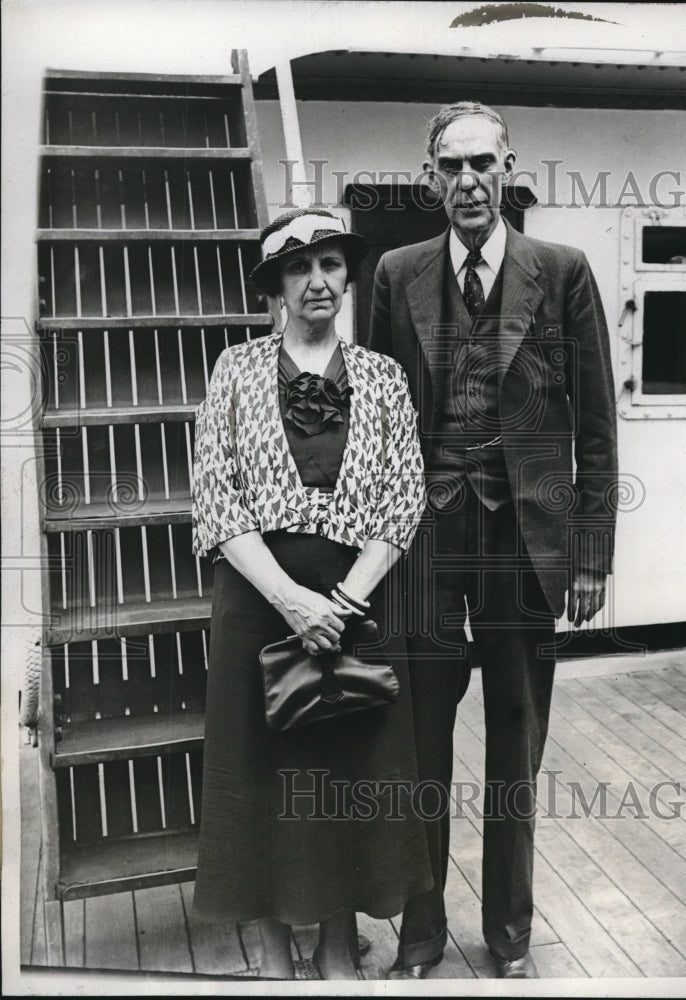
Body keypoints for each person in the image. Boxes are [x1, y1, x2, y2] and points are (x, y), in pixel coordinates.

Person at [369, 102, 618, 979]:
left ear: (508, 166)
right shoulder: (395, 274)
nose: (467, 182)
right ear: (429, 175)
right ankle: (421, 929)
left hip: (524, 541)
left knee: (515, 742)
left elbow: (594, 420)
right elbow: (374, 422)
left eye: (482, 163)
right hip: (426, 538)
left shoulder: (562, 271)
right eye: (450, 166)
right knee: (417, 743)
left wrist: (590, 555)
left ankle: (509, 930)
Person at [191, 208, 433, 980]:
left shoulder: (383, 379)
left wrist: (343, 602)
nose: (318, 281)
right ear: (276, 287)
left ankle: (334, 944)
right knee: (260, 774)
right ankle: (268, 946)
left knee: (338, 778)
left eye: (330, 264)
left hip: (354, 608)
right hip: (258, 602)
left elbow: (404, 498)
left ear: (347, 275)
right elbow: (216, 497)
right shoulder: (234, 370)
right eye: (299, 268)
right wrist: (293, 600)